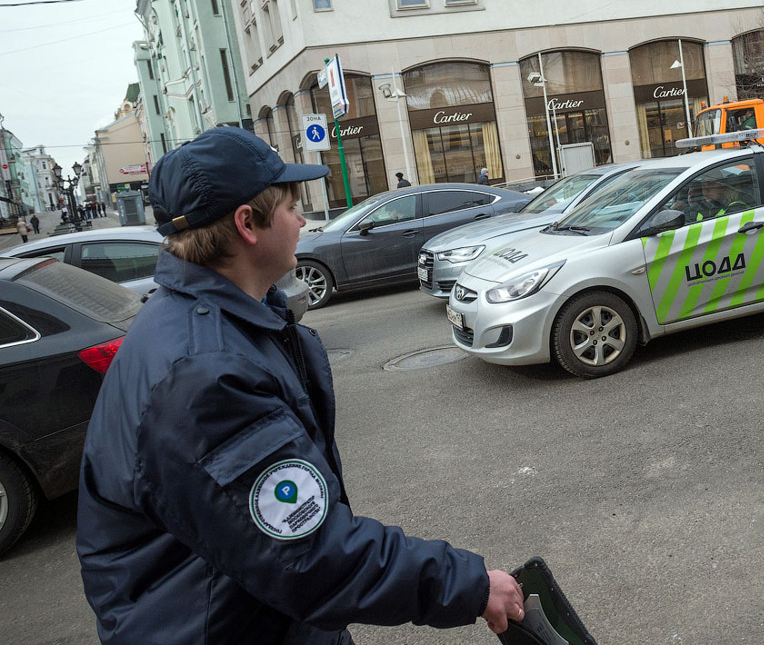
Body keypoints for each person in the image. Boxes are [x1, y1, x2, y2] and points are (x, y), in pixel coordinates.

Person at [75, 127, 523, 645]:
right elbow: (304, 555)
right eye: (290, 207)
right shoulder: (205, 373)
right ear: (247, 224)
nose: (303, 220)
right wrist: (467, 585)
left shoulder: (218, 325)